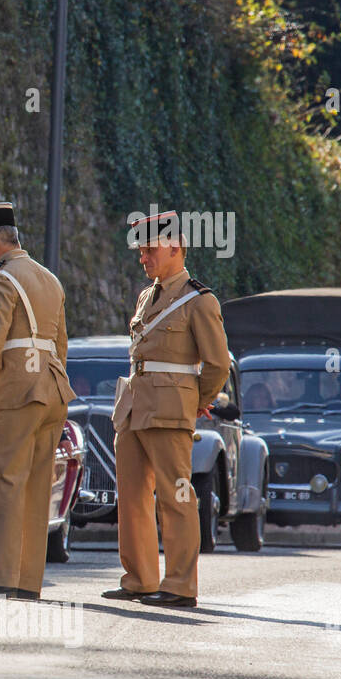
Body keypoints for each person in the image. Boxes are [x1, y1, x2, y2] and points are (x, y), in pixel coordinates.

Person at [104, 211, 229, 608]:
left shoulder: (199, 300)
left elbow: (218, 364)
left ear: (176, 247)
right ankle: (139, 578)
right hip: (134, 408)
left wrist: (196, 402)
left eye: (150, 249)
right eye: (141, 250)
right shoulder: (147, 295)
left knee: (176, 497)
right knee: (132, 496)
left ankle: (179, 584)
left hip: (170, 410)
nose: (143, 257)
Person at [0, 202, 76, 600]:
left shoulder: (1, 279)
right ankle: (27, 580)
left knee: (5, 484)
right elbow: (61, 346)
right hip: (53, 391)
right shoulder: (50, 279)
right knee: (37, 488)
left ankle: (1, 577)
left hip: (16, 393)